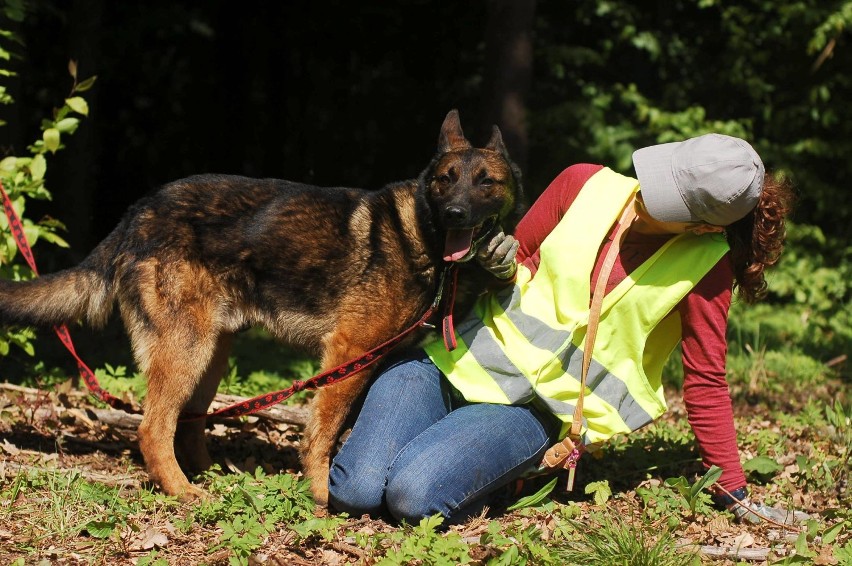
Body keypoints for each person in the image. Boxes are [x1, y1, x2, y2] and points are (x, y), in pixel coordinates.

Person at [327, 133, 801, 525]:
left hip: (529, 408)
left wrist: (732, 491)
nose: (642, 193)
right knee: (355, 492)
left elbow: (705, 380)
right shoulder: (583, 183)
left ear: (699, 227)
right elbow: (523, 260)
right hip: (453, 361)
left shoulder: (706, 266)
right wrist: (500, 265)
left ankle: (513, 472)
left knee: (412, 498)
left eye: (665, 200)